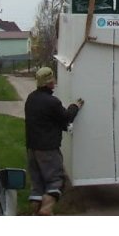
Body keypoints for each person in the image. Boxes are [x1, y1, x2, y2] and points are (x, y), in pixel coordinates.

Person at [24, 66, 84, 216]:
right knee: (56, 181)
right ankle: (46, 211)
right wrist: (75, 106)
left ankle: (34, 212)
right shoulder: (52, 102)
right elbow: (66, 117)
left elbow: (50, 120)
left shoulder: (31, 98)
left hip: (32, 148)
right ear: (49, 83)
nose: (55, 82)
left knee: (37, 185)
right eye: (53, 80)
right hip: (48, 149)